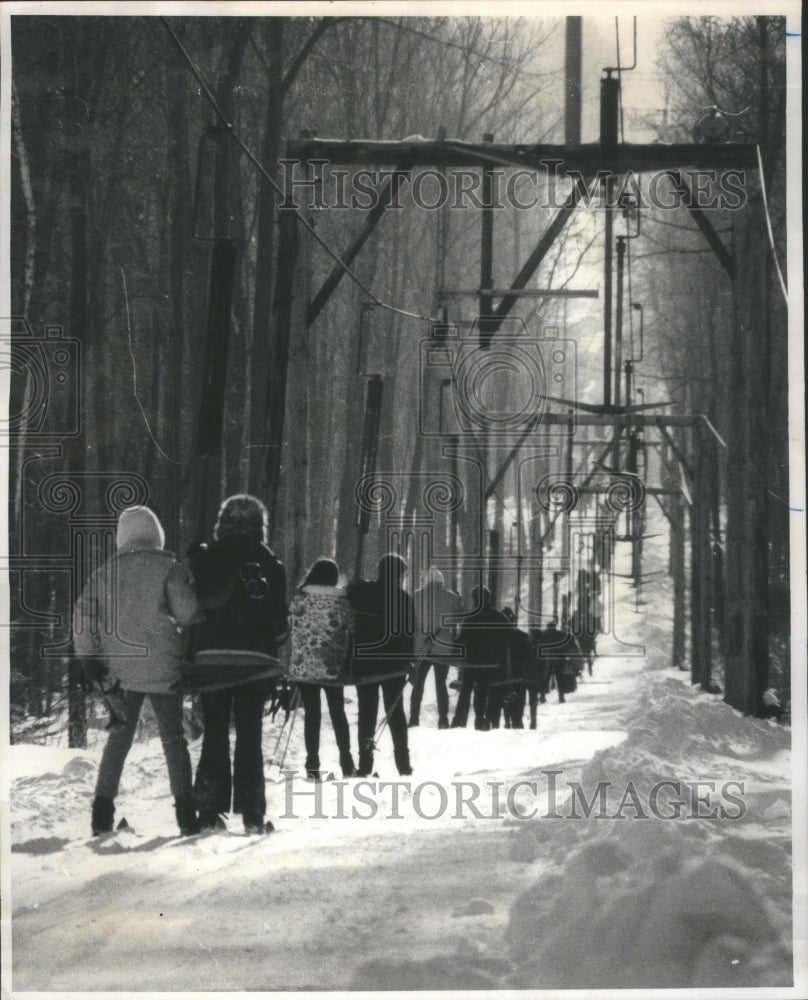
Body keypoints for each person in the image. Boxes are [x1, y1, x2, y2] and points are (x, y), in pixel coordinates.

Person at [73, 505, 202, 837]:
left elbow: (84, 617)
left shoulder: (102, 574)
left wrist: (89, 658)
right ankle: (187, 816)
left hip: (119, 674)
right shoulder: (169, 569)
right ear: (156, 536)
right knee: (174, 741)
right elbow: (188, 614)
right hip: (163, 668)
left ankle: (101, 816)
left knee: (118, 741)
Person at [188, 494, 288, 834]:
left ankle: (208, 812)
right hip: (255, 662)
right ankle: (253, 815)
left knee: (214, 732)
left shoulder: (205, 559)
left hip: (211, 659)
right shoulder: (271, 564)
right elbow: (279, 623)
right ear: (260, 526)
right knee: (250, 734)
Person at [288, 558, 356, 779]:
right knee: (337, 711)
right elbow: (351, 627)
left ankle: (312, 763)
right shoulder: (342, 602)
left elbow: (291, 625)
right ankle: (346, 760)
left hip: (303, 664)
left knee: (312, 714)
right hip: (332, 665)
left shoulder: (300, 598)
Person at [347, 553, 414, 777]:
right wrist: (408, 662)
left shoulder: (361, 592)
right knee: (396, 714)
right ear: (399, 575)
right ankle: (403, 765)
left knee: (366, 713)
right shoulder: (404, 599)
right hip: (393, 665)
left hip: (365, 662)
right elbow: (408, 634)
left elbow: (349, 594)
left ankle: (365, 765)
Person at [408, 567, 463, 729]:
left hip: (421, 647)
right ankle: (443, 719)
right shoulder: (451, 597)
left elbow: (410, 621)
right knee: (441, 684)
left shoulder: (416, 596)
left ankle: (414, 719)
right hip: (443, 647)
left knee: (418, 684)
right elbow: (459, 619)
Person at [450, 586, 509, 731]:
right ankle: (479, 718)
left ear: (475, 599)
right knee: (482, 690)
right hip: (489, 661)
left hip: (472, 661)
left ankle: (459, 720)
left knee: (466, 689)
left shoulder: (471, 617)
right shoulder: (497, 616)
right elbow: (509, 634)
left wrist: (453, 642)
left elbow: (462, 639)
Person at [535, 619, 582, 704]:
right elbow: (570, 641)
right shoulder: (561, 635)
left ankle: (542, 697)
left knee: (544, 678)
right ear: (555, 627)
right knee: (560, 678)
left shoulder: (542, 635)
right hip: (560, 660)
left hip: (546, 660)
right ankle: (561, 697)